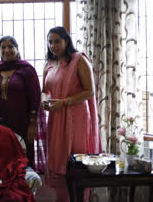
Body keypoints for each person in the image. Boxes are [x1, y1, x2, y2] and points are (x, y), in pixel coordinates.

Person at [42, 26, 101, 201]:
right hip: (56, 117)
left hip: (77, 118)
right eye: (50, 42)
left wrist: (64, 102)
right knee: (60, 164)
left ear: (66, 41)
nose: (53, 45)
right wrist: (45, 101)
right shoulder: (50, 64)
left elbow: (89, 91)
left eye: (57, 41)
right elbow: (44, 90)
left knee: (76, 163)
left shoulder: (79, 59)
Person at [0, 36, 42, 167]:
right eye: (3, 47)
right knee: (2, 156)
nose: (7, 50)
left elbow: (35, 97)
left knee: (22, 156)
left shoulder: (26, 69)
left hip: (22, 122)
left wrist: (32, 123)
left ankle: (25, 184)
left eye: (10, 46)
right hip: (0, 122)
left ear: (17, 49)